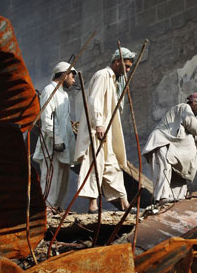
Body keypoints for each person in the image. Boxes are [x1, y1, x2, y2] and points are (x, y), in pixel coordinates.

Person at [74, 47, 135, 213]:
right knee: (94, 164)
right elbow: (94, 101)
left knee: (112, 166)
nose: (128, 70)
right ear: (117, 62)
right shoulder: (102, 75)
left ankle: (125, 204)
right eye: (127, 66)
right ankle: (93, 206)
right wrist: (99, 123)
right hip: (96, 130)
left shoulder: (114, 80)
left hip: (106, 130)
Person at [143, 92, 197, 204]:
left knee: (179, 179)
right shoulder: (184, 108)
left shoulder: (185, 125)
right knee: (164, 169)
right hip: (162, 145)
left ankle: (177, 202)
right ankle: (162, 197)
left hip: (173, 152)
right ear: (193, 102)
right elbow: (196, 129)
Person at [33, 61, 77, 214]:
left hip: (64, 147)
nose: (73, 80)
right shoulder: (49, 90)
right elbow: (46, 119)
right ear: (63, 75)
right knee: (51, 181)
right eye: (72, 76)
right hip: (52, 145)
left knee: (62, 182)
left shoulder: (63, 95)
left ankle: (55, 210)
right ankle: (47, 212)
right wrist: (57, 139)